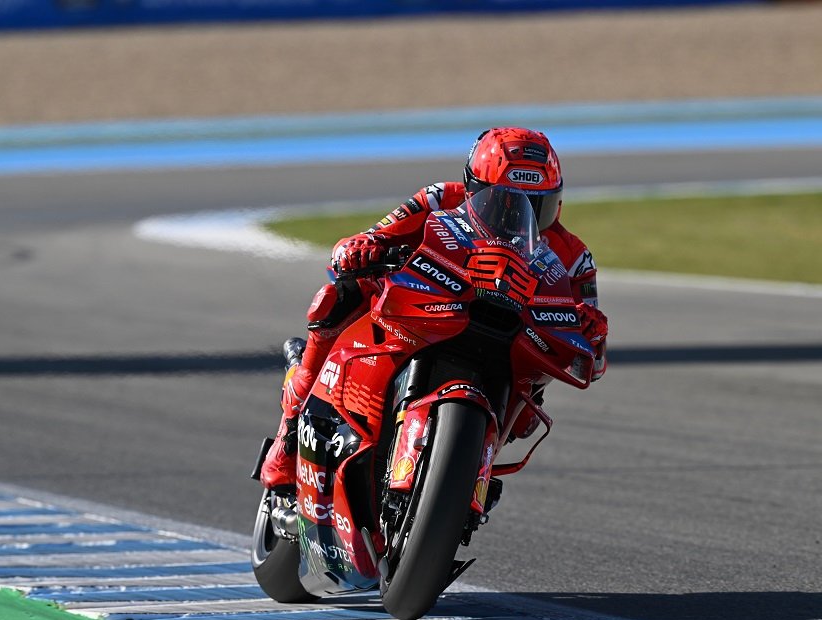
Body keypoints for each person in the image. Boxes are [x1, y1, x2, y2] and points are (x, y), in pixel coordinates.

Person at [259, 127, 608, 490]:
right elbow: (373, 237)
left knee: (527, 419)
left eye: (537, 207)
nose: (519, 217)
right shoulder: (439, 199)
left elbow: (592, 357)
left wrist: (590, 329)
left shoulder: (575, 257)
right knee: (340, 297)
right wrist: (363, 247)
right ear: (472, 188)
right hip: (433, 308)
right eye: (500, 201)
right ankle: (291, 431)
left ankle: (470, 479)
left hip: (510, 341)